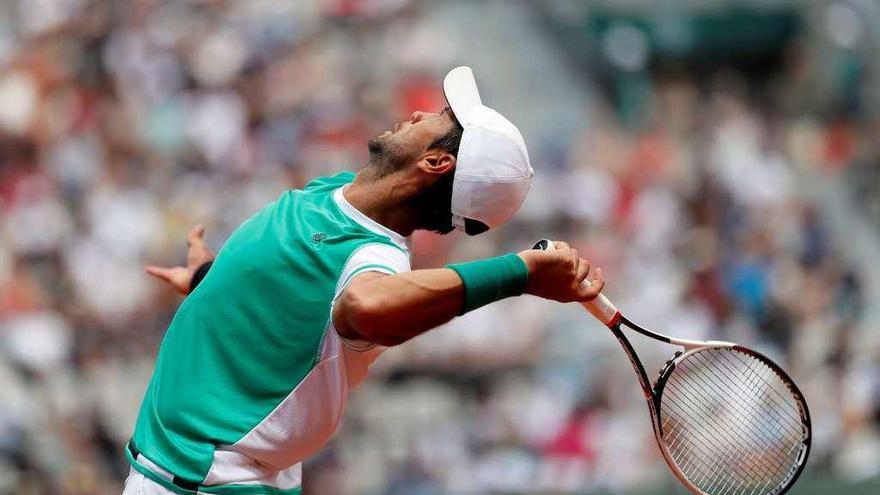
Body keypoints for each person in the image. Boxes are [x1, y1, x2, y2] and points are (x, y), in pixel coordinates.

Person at [124, 66, 604, 495]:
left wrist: (520, 273)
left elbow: (368, 307)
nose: (418, 113)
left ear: (437, 162)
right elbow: (296, 298)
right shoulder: (337, 191)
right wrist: (212, 280)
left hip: (204, 482)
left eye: (439, 117)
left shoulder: (374, 256)